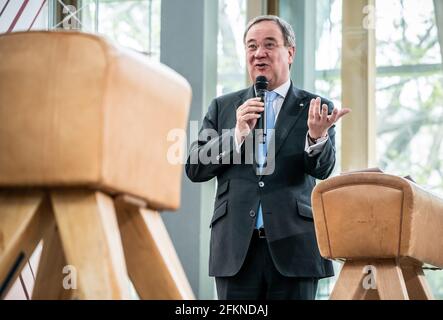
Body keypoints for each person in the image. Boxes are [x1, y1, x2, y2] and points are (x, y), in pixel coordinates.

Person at [185, 15, 350, 300]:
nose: (258, 53)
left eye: (269, 44)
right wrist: (235, 135)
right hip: (235, 251)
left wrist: (316, 138)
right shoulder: (223, 107)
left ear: (290, 52)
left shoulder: (316, 107)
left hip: (294, 247)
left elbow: (322, 170)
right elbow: (195, 166)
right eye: (251, 46)